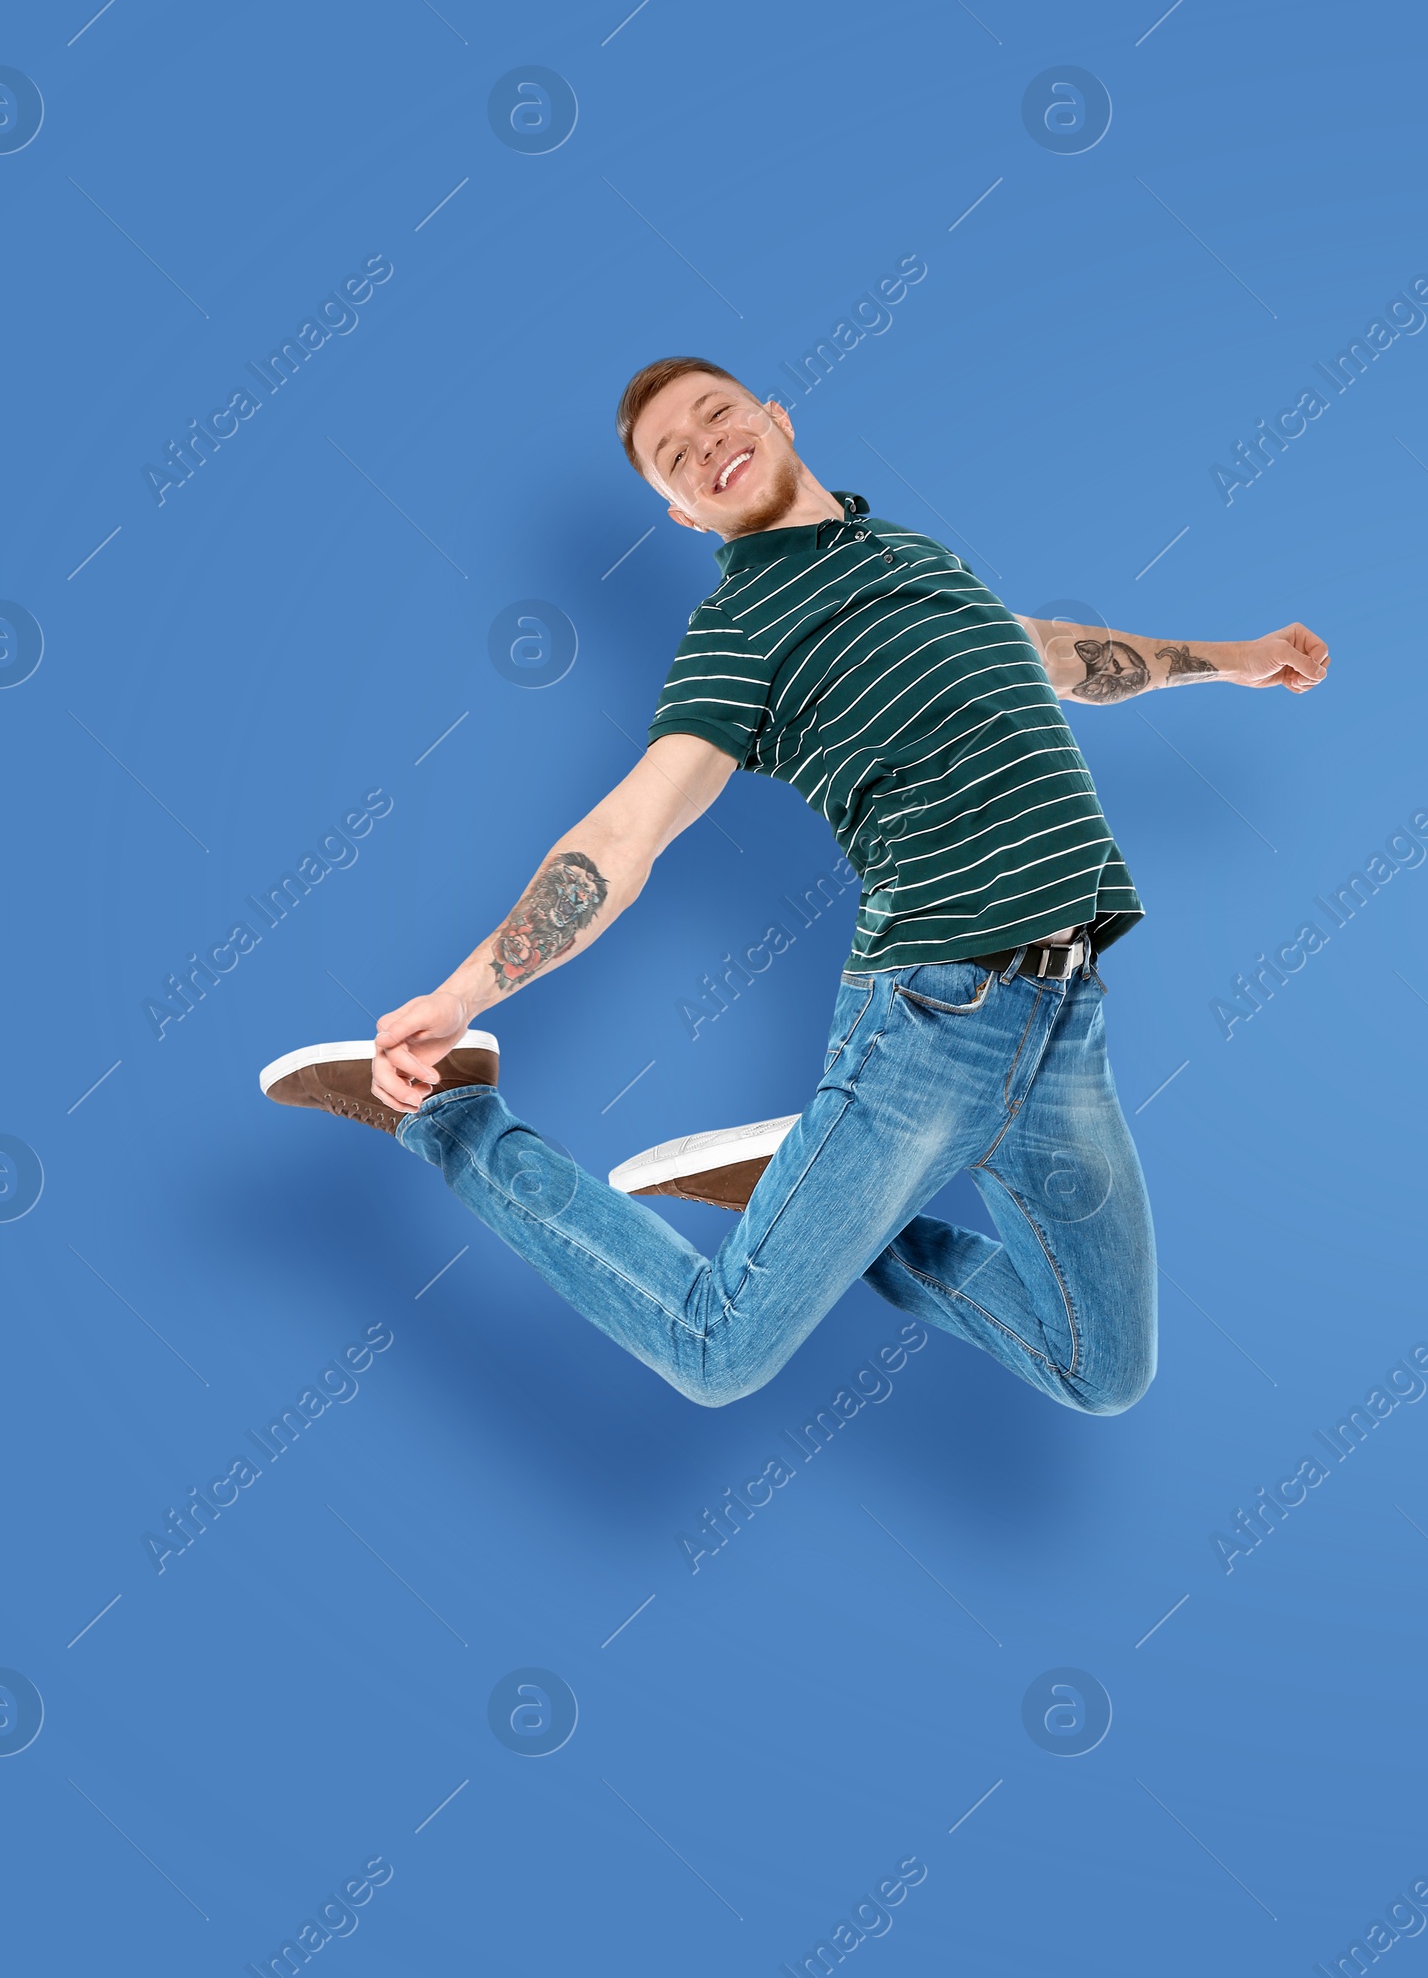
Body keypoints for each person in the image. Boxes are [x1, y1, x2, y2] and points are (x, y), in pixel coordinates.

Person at [261, 358, 1328, 1411]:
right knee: (716, 1353)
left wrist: (1231, 657)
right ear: (682, 514)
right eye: (674, 459)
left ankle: (805, 1185)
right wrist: (462, 998)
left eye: (715, 415)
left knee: (1102, 1371)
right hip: (929, 1019)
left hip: (1067, 1022)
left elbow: (1040, 650)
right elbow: (627, 831)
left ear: (772, 415)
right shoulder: (742, 629)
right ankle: (456, 1125)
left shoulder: (906, 552)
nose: (705, 447)